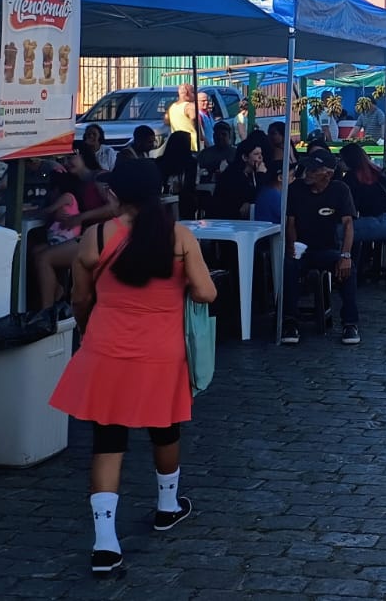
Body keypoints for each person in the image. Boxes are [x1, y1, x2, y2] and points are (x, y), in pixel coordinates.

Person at [48, 159, 216, 577]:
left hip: (107, 349)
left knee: (107, 442)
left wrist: (91, 327)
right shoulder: (178, 237)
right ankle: (167, 505)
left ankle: (105, 544)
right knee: (166, 427)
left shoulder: (96, 236)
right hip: (162, 353)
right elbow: (206, 292)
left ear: (115, 196)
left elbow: (81, 299)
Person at [284, 149, 362, 346]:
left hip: (328, 249)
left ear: (327, 173)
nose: (307, 173)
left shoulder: (340, 190)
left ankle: (350, 323)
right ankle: (289, 321)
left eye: (313, 169)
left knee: (348, 268)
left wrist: (345, 254)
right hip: (303, 249)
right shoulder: (295, 190)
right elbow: (290, 223)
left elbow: (348, 225)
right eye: (307, 168)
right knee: (289, 266)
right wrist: (292, 246)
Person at [31, 148, 116, 308]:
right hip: (86, 236)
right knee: (36, 252)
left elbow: (114, 208)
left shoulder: (100, 177)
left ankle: (46, 313)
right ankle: (56, 292)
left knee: (44, 258)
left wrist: (80, 217)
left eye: (71, 157)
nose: (67, 161)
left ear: (84, 156)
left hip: (105, 236)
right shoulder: (75, 184)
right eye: (64, 158)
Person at [337, 143, 386, 243]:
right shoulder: (377, 171)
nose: (339, 163)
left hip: (383, 222)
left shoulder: (351, 178)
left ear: (349, 161)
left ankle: (347, 257)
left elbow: (349, 209)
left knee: (337, 231)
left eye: (341, 160)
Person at [211, 136, 267, 220]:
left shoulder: (251, 174)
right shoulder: (233, 176)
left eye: (261, 154)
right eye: (256, 154)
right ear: (245, 157)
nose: (260, 157)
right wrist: (260, 175)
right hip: (227, 221)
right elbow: (251, 197)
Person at [166, 84, 203, 151]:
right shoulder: (190, 106)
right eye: (193, 92)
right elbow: (194, 119)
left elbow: (166, 121)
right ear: (187, 93)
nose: (195, 95)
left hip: (177, 143)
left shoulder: (172, 107)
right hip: (193, 144)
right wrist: (202, 137)